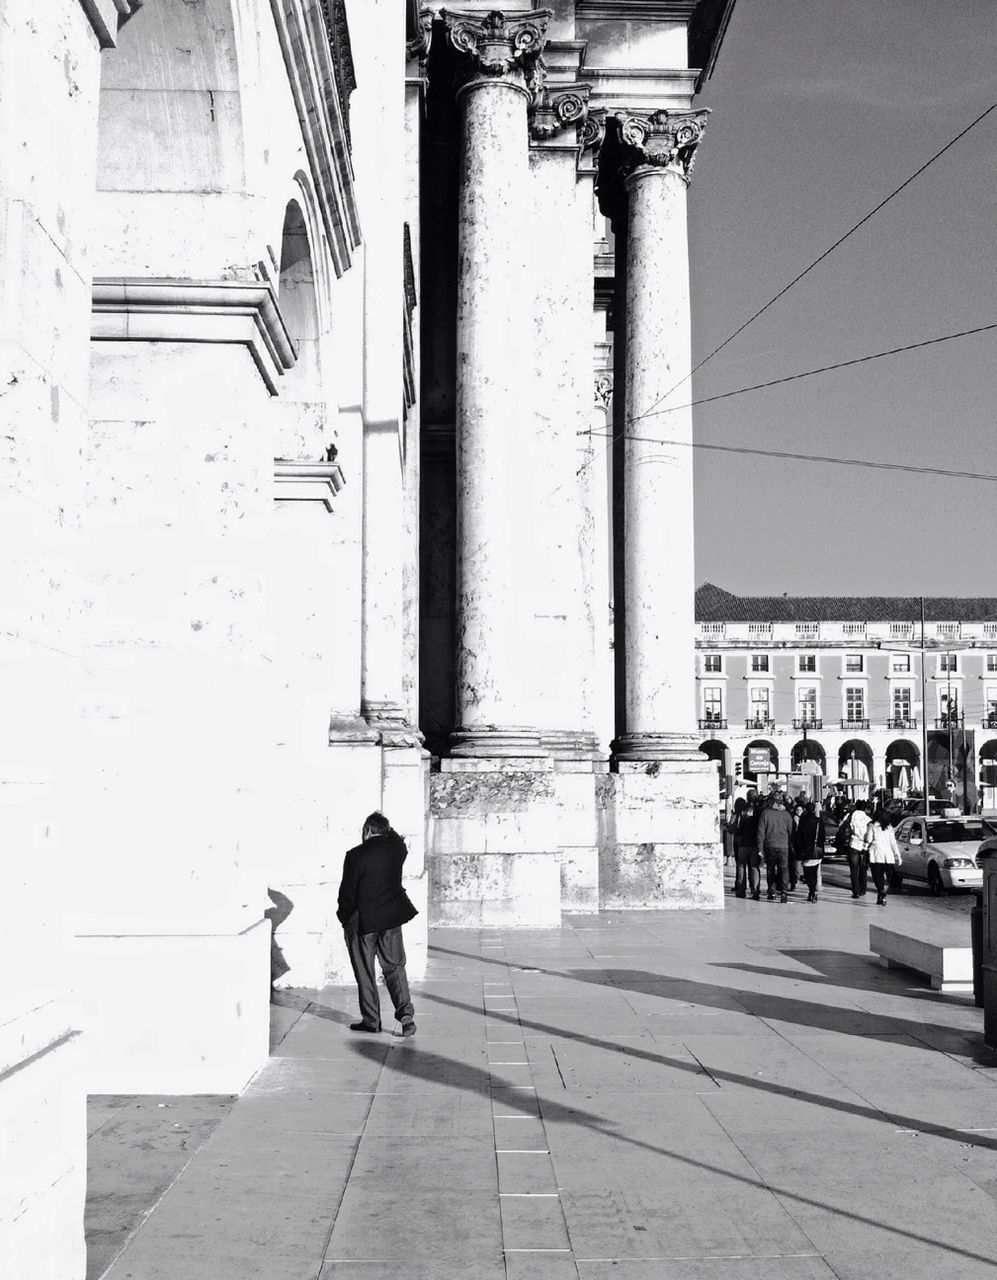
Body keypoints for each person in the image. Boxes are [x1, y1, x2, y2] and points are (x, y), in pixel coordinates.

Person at [337, 811, 418, 1036]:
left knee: (365, 972)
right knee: (395, 967)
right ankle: (405, 1014)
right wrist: (386, 828)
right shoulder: (397, 850)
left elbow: (347, 893)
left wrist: (344, 918)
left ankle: (371, 1020)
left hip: (363, 922)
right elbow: (397, 838)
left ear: (367, 830)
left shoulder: (355, 856)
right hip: (391, 918)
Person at [756, 791, 794, 903]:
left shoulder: (765, 813)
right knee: (784, 869)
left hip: (769, 846)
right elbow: (791, 832)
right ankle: (784, 892)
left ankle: (772, 892)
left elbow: (760, 832)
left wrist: (760, 848)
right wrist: (791, 845)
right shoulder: (787, 815)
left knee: (771, 869)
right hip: (784, 846)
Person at [865, 808, 902, 906]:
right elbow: (893, 842)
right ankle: (881, 896)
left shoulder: (871, 825)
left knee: (877, 876)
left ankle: (881, 891)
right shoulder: (889, 827)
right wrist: (897, 854)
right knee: (886, 876)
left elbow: (868, 840)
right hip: (887, 855)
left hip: (876, 855)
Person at [794, 801, 825, 903]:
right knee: (814, 872)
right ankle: (812, 892)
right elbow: (823, 836)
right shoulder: (819, 820)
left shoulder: (803, 820)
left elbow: (799, 836)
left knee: (807, 874)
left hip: (806, 850)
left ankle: (812, 891)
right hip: (817, 850)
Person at [733, 793, 762, 900]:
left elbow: (738, 827)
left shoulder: (742, 810)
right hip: (754, 842)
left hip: (743, 842)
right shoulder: (759, 810)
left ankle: (741, 890)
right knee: (754, 866)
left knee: (741, 866)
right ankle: (755, 890)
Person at [845, 800, 871, 898]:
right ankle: (863, 889)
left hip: (854, 844)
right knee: (863, 868)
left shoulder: (851, 816)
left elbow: (847, 827)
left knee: (854, 869)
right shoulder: (868, 819)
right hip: (864, 845)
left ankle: (855, 891)